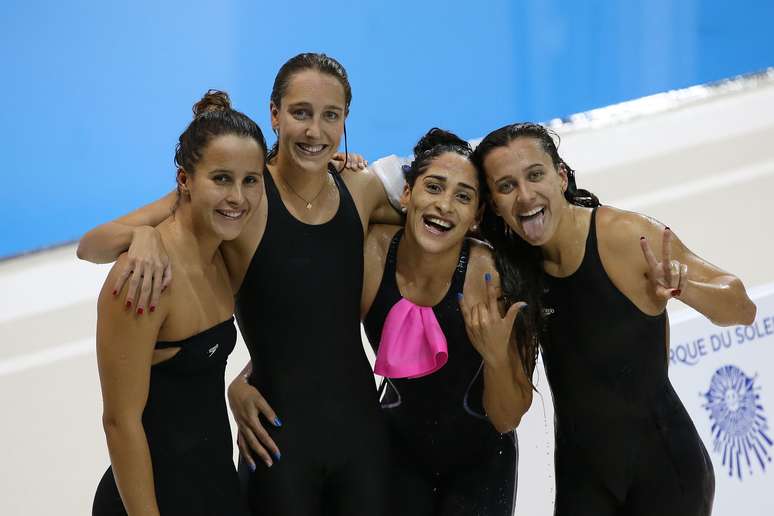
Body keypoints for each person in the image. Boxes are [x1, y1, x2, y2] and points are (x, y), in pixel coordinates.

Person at [78, 53, 402, 516]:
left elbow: (433, 208)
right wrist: (143, 234)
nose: (315, 130)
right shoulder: (245, 201)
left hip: (352, 443)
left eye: (330, 115)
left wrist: (239, 381)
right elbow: (93, 244)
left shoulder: (359, 189)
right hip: (277, 445)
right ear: (275, 114)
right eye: (300, 112)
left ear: (346, 119)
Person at [470, 122, 757, 516]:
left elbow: (742, 307)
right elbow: (506, 417)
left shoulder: (623, 238)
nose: (525, 195)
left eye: (535, 175)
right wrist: (496, 358)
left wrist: (684, 287)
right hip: (583, 480)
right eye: (506, 186)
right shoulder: (515, 275)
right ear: (495, 202)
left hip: (665, 474)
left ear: (561, 176)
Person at [91, 90, 265, 516]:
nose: (238, 198)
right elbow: (120, 422)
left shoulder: (223, 250)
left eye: (250, 180)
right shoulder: (143, 277)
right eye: (221, 179)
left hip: (214, 489)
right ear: (185, 180)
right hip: (151, 501)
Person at [361, 128, 539, 515]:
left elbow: (507, 417)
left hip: (480, 465)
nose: (444, 205)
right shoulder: (372, 255)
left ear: (476, 217)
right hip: (397, 455)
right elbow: (314, 333)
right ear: (407, 194)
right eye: (434, 187)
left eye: (462, 196)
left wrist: (495, 358)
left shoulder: (489, 279)